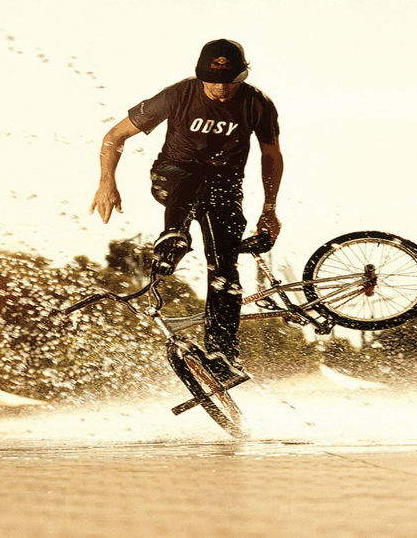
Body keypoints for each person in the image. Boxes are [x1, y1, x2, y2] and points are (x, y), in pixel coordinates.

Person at [90, 39, 284, 386]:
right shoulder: (178, 95)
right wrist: (107, 183)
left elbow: (271, 155)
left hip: (224, 189)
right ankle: (173, 235)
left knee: (224, 268)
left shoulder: (257, 103)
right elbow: (114, 135)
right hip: (172, 177)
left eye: (230, 82)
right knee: (191, 176)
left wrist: (269, 209)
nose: (222, 89)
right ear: (200, 76)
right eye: (213, 82)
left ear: (243, 75)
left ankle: (222, 353)